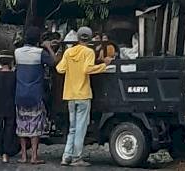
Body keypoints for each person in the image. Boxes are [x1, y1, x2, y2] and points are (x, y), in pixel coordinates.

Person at [57, 26, 112, 166]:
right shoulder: (88, 52)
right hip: (83, 94)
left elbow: (60, 68)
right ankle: (76, 158)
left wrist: (71, 68)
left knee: (73, 128)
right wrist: (103, 66)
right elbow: (87, 69)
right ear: (89, 38)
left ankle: (66, 156)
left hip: (69, 94)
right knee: (81, 127)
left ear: (78, 37)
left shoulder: (69, 52)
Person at [13, 26, 57, 165]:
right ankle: (34, 157)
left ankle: (24, 156)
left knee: (22, 123)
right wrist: (48, 47)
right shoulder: (40, 53)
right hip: (36, 94)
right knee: (35, 125)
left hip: (20, 93)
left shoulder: (17, 52)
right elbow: (54, 62)